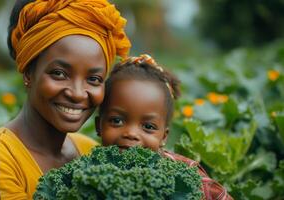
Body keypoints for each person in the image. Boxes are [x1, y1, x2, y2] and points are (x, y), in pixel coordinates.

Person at [0, 0, 131, 199]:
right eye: (59, 74)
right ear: (28, 73)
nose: (78, 93)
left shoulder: (89, 149)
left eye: (94, 79)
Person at [95, 54, 233, 200]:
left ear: (164, 136)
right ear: (99, 126)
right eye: (117, 121)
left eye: (148, 126)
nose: (131, 133)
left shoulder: (186, 176)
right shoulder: (88, 174)